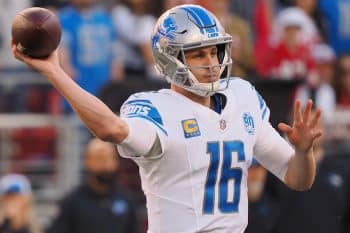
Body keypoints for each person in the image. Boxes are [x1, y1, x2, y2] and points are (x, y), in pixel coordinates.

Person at [12, 4, 322, 233]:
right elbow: (109, 128)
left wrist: (304, 152)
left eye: (215, 52)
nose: (212, 63)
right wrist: (55, 71)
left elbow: (298, 179)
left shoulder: (243, 96)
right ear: (169, 59)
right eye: (198, 54)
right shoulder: (156, 107)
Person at [45, 138, 139, 233]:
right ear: (87, 160)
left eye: (110, 158)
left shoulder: (127, 199)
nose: (106, 164)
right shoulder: (72, 202)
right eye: (100, 158)